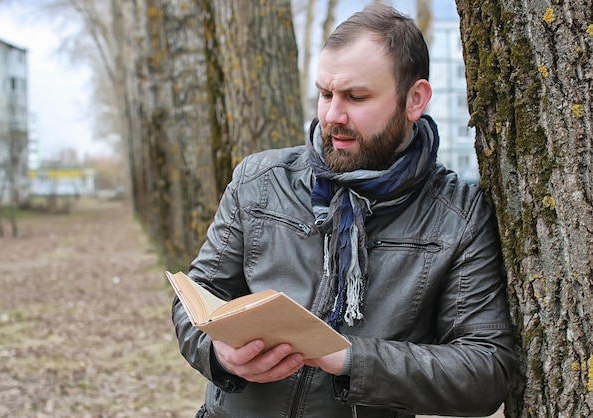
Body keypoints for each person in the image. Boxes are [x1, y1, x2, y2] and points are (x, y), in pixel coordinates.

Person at [172, 3, 516, 417]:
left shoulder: (458, 216)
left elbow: (484, 372)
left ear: (414, 99)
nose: (333, 115)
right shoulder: (259, 179)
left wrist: (351, 360)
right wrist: (219, 354)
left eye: (355, 96)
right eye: (325, 93)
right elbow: (197, 299)